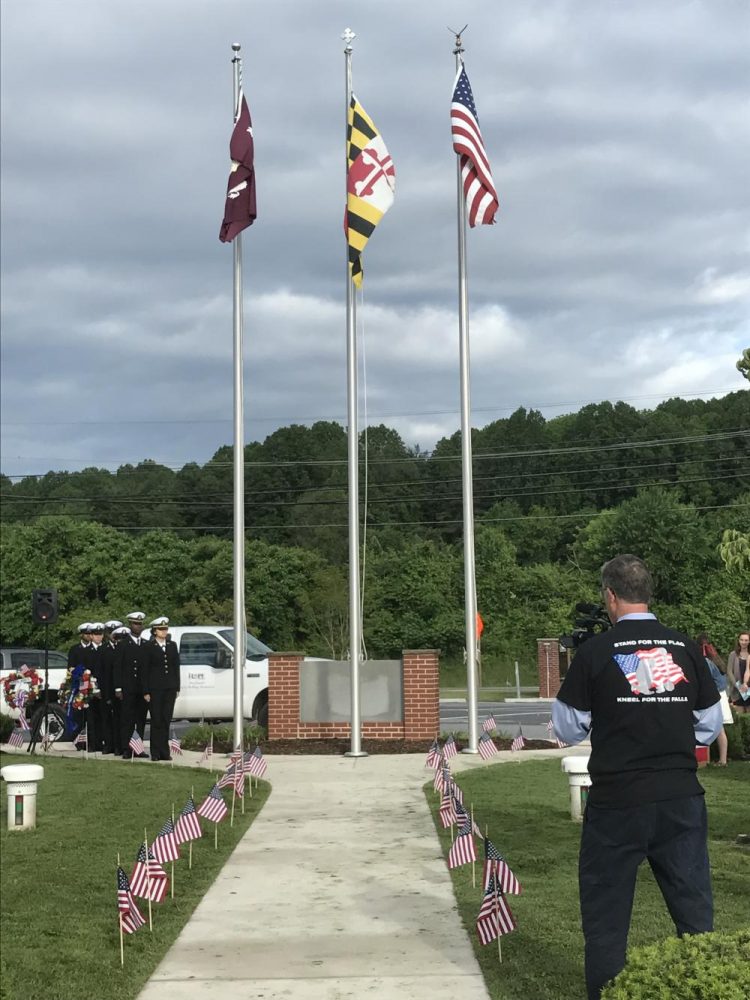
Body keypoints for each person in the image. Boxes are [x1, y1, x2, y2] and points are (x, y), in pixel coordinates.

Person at [551, 554, 722, 1000]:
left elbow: (568, 727)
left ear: (610, 596)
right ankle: (708, 990)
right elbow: (708, 726)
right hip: (680, 797)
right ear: (648, 593)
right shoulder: (685, 648)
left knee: (607, 921)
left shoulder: (594, 652)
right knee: (694, 913)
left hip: (616, 802)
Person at [143, 616, 180, 761]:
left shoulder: (172, 645)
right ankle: (156, 752)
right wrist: (146, 690)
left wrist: (176, 686)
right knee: (156, 720)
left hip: (169, 688)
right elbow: (145, 669)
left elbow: (175, 667)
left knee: (166, 720)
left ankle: (165, 751)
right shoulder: (149, 647)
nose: (164, 632)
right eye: (161, 629)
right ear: (154, 631)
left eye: (165, 629)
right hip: (155, 688)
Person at [113, 611, 150, 759]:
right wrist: (118, 688)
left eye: (140, 624)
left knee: (140, 720)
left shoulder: (145, 645)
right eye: (135, 624)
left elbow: (147, 668)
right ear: (130, 624)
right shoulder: (123, 645)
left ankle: (138, 748)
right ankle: (126, 748)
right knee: (127, 720)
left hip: (141, 689)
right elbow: (118, 667)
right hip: (127, 688)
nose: (138, 627)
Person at [696, 634, 732, 765]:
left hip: (714, 696)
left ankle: (714, 760)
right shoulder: (716, 659)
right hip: (721, 695)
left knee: (713, 728)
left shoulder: (706, 662)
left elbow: (706, 682)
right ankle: (719, 759)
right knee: (718, 728)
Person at [726, 630, 750, 714]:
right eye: (741, 640)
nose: (743, 642)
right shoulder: (733, 654)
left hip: (748, 687)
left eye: (746, 640)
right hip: (738, 689)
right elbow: (729, 671)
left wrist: (746, 686)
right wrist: (738, 686)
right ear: (738, 640)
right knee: (739, 715)